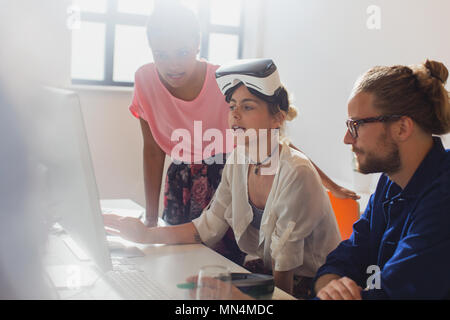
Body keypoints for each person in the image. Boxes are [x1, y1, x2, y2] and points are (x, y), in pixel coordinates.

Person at [129, 1, 357, 265]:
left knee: (223, 264)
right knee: (178, 263)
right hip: (184, 185)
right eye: (161, 55)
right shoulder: (145, 80)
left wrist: (331, 184)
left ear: (197, 44)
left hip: (229, 180)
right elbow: (153, 152)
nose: (173, 65)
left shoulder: (226, 83)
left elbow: (274, 141)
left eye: (182, 52)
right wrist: (149, 222)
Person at [105, 58, 342, 299]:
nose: (235, 115)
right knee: (185, 288)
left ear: (278, 118)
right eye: (232, 106)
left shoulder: (296, 172)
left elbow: (285, 270)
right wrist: (146, 236)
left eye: (247, 107)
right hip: (270, 274)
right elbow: (208, 225)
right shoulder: (239, 159)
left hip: (314, 285)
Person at [312, 59, 450, 300]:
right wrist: (330, 284)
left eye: (356, 125)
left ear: (402, 128)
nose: (346, 138)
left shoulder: (444, 197)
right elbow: (351, 254)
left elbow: (390, 294)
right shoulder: (390, 179)